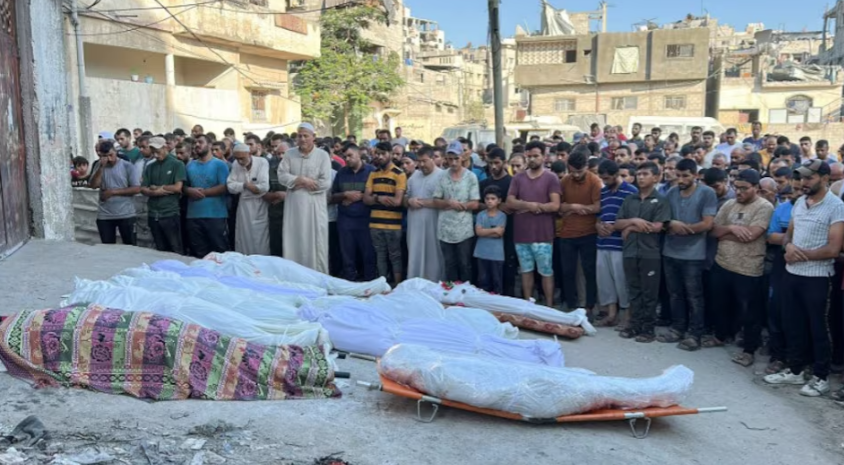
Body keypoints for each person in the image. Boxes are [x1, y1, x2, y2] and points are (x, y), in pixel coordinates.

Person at [764, 160, 844, 398]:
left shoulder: (836, 207)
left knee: (819, 328)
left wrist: (801, 255)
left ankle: (820, 377)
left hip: (819, 278)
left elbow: (833, 249)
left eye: (809, 178)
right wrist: (788, 249)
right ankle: (795, 370)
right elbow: (788, 236)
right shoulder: (799, 202)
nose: (803, 183)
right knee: (793, 324)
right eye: (801, 178)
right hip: (792, 275)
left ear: (824, 178)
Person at [709, 169, 774, 366]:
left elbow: (752, 235)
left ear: (756, 188)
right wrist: (731, 229)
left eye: (744, 189)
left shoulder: (764, 207)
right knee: (720, 304)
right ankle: (721, 336)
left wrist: (725, 233)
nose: (739, 192)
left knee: (749, 312)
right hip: (723, 262)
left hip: (748, 267)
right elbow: (713, 231)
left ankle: (749, 350)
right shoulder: (729, 204)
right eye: (736, 188)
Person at [660, 158, 718, 351]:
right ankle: (677, 328)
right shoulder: (671, 192)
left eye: (685, 176)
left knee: (694, 296)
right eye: (678, 175)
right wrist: (671, 224)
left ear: (695, 175)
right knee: (675, 294)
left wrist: (686, 229)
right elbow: (663, 219)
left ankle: (695, 334)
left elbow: (708, 223)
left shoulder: (706, 193)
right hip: (670, 251)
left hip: (694, 254)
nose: (681, 179)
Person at [615, 162, 672, 341]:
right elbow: (617, 223)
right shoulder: (630, 199)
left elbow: (656, 227)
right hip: (630, 251)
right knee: (634, 291)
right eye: (638, 174)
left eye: (645, 174)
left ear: (656, 177)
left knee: (649, 293)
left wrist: (631, 227)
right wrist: (634, 221)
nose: (640, 177)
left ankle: (648, 329)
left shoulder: (661, 200)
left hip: (650, 253)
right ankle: (634, 325)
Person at [506, 141, 562, 307]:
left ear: (544, 157)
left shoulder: (551, 178)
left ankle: (549, 305)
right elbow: (509, 201)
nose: (532, 159)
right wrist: (529, 205)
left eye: (536, 156)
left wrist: (536, 207)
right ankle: (527, 305)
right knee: (525, 271)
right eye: (529, 156)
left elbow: (555, 205)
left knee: (546, 271)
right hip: (522, 234)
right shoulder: (518, 178)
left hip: (543, 235)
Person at [277, 123, 332, 273]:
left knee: (315, 244)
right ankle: (294, 277)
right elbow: (281, 175)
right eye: (299, 136)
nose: (302, 139)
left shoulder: (322, 156)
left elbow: (326, 181)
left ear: (313, 137)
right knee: (294, 241)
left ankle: (317, 277)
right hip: (294, 207)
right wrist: (299, 179)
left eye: (306, 135)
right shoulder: (289, 154)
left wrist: (307, 183)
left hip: (314, 206)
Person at [595, 160, 638, 326]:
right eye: (602, 178)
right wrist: (598, 226)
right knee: (605, 281)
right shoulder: (603, 192)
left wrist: (616, 227)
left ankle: (627, 316)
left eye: (607, 178)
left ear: (616, 175)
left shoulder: (630, 191)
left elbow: (634, 218)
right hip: (603, 242)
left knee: (622, 281)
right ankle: (611, 315)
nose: (604, 181)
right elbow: (599, 215)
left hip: (620, 244)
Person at [559, 150, 601, 313]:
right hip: (567, 233)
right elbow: (559, 206)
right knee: (567, 270)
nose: (576, 175)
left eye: (580, 171)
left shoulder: (595, 181)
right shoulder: (564, 180)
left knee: (589, 271)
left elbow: (598, 206)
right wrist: (573, 207)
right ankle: (570, 304)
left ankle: (589, 306)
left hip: (588, 233)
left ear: (587, 167)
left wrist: (578, 208)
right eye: (572, 171)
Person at [433, 141, 480, 283]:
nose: (453, 162)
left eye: (456, 159)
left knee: (465, 264)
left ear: (463, 158)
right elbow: (436, 200)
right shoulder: (442, 176)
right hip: (445, 228)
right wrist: (448, 202)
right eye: (450, 159)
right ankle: (450, 293)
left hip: (463, 229)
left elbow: (475, 203)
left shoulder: (470, 177)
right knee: (449, 264)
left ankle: (466, 294)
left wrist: (461, 205)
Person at [332, 144, 377, 281]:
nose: (347, 159)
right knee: (347, 254)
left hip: (366, 219)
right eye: (345, 156)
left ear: (359, 155)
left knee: (368, 253)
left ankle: (369, 281)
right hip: (345, 219)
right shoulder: (341, 173)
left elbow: (377, 194)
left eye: (350, 155)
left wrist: (359, 197)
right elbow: (332, 196)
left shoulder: (372, 171)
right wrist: (345, 195)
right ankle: (350, 281)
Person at [364, 141, 407, 284]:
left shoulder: (399, 174)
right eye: (377, 154)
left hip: (393, 225)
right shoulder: (373, 173)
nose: (380, 157)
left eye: (383, 154)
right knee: (380, 255)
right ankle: (382, 285)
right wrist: (379, 197)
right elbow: (366, 198)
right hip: (375, 223)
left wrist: (374, 198)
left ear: (390, 154)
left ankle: (397, 285)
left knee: (395, 256)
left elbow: (397, 201)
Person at [185, 134, 230, 258]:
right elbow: (183, 186)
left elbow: (224, 186)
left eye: (200, 142)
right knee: (198, 253)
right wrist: (189, 190)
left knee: (219, 252)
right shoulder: (190, 165)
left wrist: (202, 193)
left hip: (215, 215)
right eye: (195, 143)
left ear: (210, 145)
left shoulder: (220, 165)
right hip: (193, 215)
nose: (197, 145)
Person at [88, 140, 140, 245]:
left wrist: (113, 192)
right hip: (105, 215)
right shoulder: (98, 165)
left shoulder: (127, 166)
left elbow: (136, 188)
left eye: (111, 155)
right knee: (107, 247)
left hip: (126, 213)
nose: (110, 159)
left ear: (115, 152)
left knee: (130, 245)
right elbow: (93, 185)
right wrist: (101, 167)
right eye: (105, 156)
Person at [140, 136, 187, 254]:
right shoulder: (150, 166)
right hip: (153, 213)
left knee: (175, 248)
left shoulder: (177, 164)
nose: (156, 155)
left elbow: (178, 187)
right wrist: (153, 192)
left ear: (165, 147)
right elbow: (143, 188)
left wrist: (160, 188)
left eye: (158, 151)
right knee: (160, 249)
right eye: (153, 152)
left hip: (170, 212)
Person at [406, 146, 446, 282]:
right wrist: (409, 201)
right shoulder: (413, 176)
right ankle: (414, 283)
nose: (421, 165)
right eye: (419, 161)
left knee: (433, 255)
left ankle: (434, 283)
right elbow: (404, 198)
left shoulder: (442, 176)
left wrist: (425, 203)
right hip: (414, 224)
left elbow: (446, 201)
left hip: (434, 223)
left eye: (424, 161)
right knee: (415, 253)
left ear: (433, 159)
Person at [481, 148, 517, 297]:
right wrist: (495, 206)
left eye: (496, 163)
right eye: (490, 163)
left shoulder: (513, 182)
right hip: (487, 232)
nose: (493, 166)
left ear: (505, 163)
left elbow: (514, 205)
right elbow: (477, 205)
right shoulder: (484, 183)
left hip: (509, 231)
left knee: (508, 267)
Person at [226, 143, 269, 255]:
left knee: (260, 239)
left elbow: (264, 187)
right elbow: (230, 186)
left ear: (249, 154)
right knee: (243, 237)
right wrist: (245, 185)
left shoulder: (262, 162)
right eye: (237, 158)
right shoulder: (236, 164)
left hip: (259, 205)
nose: (240, 161)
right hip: (244, 206)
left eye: (242, 158)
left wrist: (254, 188)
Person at [474, 185, 507, 294]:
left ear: (499, 201)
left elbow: (499, 233)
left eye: (493, 199)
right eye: (487, 199)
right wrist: (494, 230)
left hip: (496, 254)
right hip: (481, 253)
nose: (489, 201)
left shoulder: (502, 216)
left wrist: (485, 231)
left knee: (497, 282)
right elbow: (478, 232)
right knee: (483, 282)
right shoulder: (480, 215)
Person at [264, 134, 289, 258]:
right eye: (278, 154)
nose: (281, 157)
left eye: (284, 153)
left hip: (293, 217)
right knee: (276, 249)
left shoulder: (298, 170)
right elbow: (263, 193)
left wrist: (287, 196)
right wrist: (276, 195)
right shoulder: (270, 170)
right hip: (276, 217)